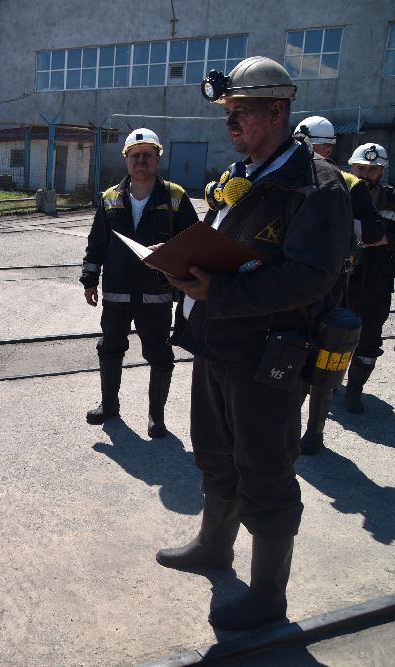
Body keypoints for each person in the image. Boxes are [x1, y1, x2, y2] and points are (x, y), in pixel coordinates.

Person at [156, 57, 351, 631]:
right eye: (228, 113)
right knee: (214, 454)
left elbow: (311, 278)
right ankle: (214, 546)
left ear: (278, 112)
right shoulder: (245, 173)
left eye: (241, 111)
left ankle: (268, 598)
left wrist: (218, 290)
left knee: (265, 470)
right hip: (217, 340)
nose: (231, 122)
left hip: (269, 354)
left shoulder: (317, 186)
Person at [79, 128, 198, 438]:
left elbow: (193, 242)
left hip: (155, 293)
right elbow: (96, 243)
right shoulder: (110, 198)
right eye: (135, 155)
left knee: (159, 354)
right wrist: (90, 280)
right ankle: (109, 405)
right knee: (110, 348)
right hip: (116, 292)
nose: (141, 160)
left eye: (147, 155)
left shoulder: (175, 196)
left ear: (157, 159)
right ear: (126, 160)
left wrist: (170, 252)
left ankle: (156, 416)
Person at [292, 118, 389, 454]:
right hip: (309, 284)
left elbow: (375, 234)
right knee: (303, 353)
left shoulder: (346, 183)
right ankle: (297, 429)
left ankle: (310, 431)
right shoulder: (291, 177)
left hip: (328, 285)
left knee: (322, 355)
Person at [344, 143, 394, 413]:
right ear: (351, 168)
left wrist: (384, 238)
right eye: (360, 168)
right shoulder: (338, 195)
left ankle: (354, 390)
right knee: (329, 334)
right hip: (340, 281)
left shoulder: (392, 199)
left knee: (369, 341)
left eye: (372, 169)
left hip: (375, 283)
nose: (365, 174)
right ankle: (326, 385)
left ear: (382, 171)